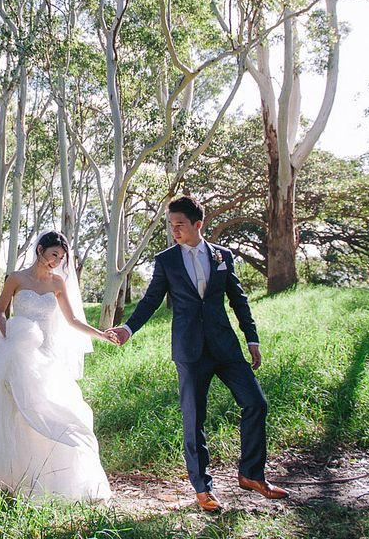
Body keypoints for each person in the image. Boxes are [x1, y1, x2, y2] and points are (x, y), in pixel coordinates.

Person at [107, 197, 288, 512]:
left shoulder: (223, 256)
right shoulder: (166, 261)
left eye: (179, 224)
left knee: (256, 403)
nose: (174, 230)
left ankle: (251, 474)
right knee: (194, 420)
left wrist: (252, 338)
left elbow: (239, 299)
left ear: (197, 224)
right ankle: (203, 489)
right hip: (190, 351)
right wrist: (128, 328)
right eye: (171, 225)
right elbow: (150, 300)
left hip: (225, 346)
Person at [0, 230, 114, 502]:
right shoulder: (16, 278)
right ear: (40, 251)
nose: (56, 261)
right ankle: (10, 474)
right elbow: (0, 311)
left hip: (46, 356)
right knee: (13, 410)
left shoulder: (58, 283)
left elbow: (72, 321)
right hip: (18, 352)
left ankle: (52, 475)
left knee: (51, 408)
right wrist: (8, 337)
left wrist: (101, 333)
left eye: (61, 257)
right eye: (53, 255)